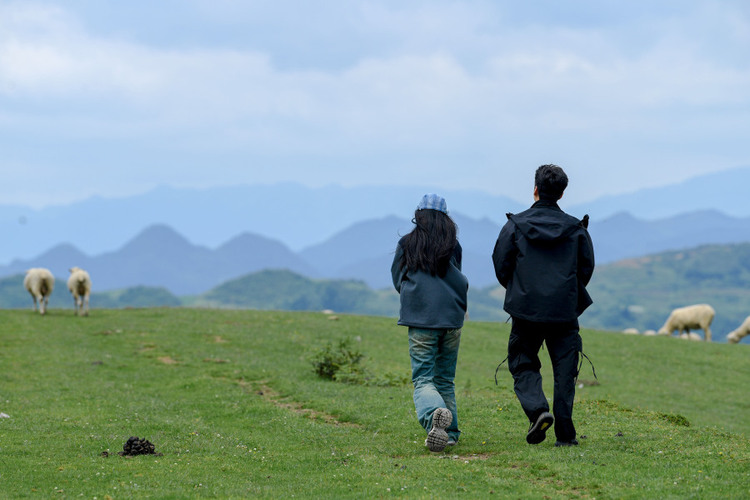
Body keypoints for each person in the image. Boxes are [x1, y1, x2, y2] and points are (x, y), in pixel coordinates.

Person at [492, 164, 595, 447]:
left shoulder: (515, 226)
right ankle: (566, 436)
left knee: (523, 362)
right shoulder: (576, 229)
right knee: (565, 371)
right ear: (561, 194)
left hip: (526, 310)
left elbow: (501, 265)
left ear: (535, 189)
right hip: (564, 311)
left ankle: (538, 411)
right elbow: (585, 269)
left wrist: (521, 290)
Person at [391, 194, 469, 452]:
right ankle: (450, 433)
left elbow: (397, 277)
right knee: (445, 379)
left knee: (424, 379)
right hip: (451, 320)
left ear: (419, 215)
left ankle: (434, 414)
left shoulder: (407, 243)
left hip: (421, 319)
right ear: (446, 219)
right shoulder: (453, 245)